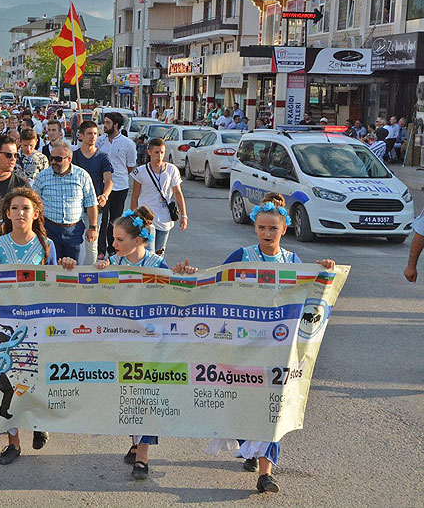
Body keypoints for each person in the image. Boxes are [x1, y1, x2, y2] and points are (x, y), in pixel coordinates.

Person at [217, 192, 335, 494]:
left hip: (278, 346)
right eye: (261, 228)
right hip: (244, 344)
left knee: (273, 406)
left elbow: (310, 292)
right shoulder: (243, 255)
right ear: (254, 227)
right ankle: (249, 445)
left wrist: (324, 271)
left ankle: (266, 473)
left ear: (285, 229)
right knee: (244, 401)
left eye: (273, 228)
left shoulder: (292, 261)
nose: (267, 233)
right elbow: (215, 283)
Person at [0, 188, 77, 463]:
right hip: (8, 324)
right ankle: (13, 442)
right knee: (10, 377)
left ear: (36, 213)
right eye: (15, 208)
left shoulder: (47, 245)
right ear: (7, 214)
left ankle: (39, 422)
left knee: (36, 376)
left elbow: (54, 281)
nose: (20, 213)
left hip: (37, 323)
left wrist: (66, 266)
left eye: (26, 208)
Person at [93, 206, 195, 479]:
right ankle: (136, 442)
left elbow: (175, 295)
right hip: (122, 342)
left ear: (138, 240)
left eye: (120, 239)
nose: (114, 244)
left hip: (151, 343)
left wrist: (183, 275)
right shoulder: (113, 264)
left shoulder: (156, 265)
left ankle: (143, 457)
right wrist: (98, 272)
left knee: (147, 396)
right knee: (128, 395)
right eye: (113, 238)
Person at [32, 143, 98, 261]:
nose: (53, 162)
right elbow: (33, 204)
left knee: (72, 266)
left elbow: (91, 203)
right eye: (52, 158)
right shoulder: (42, 177)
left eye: (58, 159)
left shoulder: (82, 176)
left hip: (74, 231)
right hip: (49, 229)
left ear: (69, 159)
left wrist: (93, 227)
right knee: (51, 266)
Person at [130, 138, 188, 255]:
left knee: (159, 253)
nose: (159, 156)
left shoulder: (172, 169)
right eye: (156, 152)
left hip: (164, 217)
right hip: (146, 217)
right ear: (149, 152)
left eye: (162, 152)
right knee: (148, 253)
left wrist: (184, 215)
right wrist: (133, 216)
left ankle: (157, 267)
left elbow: (178, 193)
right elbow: (135, 196)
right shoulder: (140, 172)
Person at [96, 113, 138, 256]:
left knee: (115, 220)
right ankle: (101, 250)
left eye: (108, 123)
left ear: (116, 125)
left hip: (120, 186)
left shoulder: (128, 144)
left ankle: (113, 249)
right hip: (102, 187)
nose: (105, 125)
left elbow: (130, 166)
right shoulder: (99, 141)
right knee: (102, 219)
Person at [72, 121, 114, 259]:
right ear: (81, 135)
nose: (93, 137)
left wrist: (105, 196)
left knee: (92, 244)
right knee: (75, 243)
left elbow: (109, 181)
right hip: (75, 207)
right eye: (89, 133)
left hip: (95, 207)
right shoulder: (73, 156)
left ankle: (91, 270)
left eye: (95, 133)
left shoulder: (102, 157)